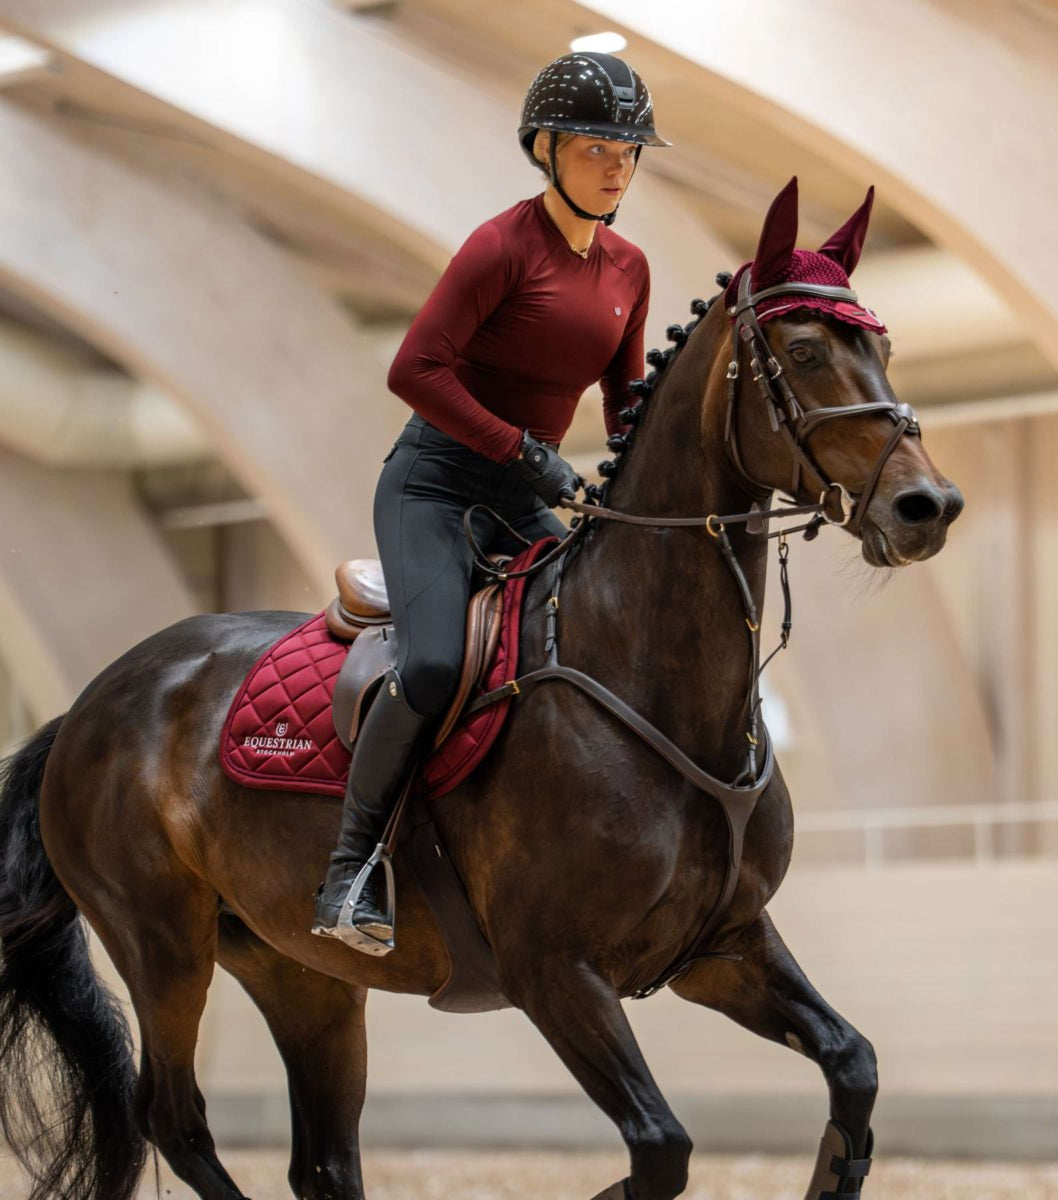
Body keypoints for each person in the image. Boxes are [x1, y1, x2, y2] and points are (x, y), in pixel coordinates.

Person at [312, 51, 671, 950]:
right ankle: (350, 871)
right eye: (596, 149)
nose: (618, 168)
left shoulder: (629, 268)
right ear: (545, 149)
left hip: (521, 493)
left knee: (595, 637)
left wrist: (633, 486)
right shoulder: (501, 246)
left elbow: (623, 401)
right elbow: (413, 370)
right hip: (434, 486)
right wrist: (522, 451)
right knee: (436, 664)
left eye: (629, 152)